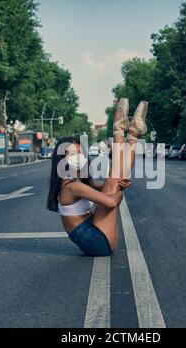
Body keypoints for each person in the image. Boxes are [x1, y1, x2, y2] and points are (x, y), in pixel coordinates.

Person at [47, 98, 148, 257]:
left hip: (93, 229)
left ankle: (130, 131)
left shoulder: (76, 182)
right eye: (72, 154)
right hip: (96, 242)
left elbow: (100, 187)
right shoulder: (71, 186)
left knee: (114, 178)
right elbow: (112, 202)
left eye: (80, 153)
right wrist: (119, 190)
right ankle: (126, 131)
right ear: (62, 159)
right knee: (114, 180)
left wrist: (117, 185)